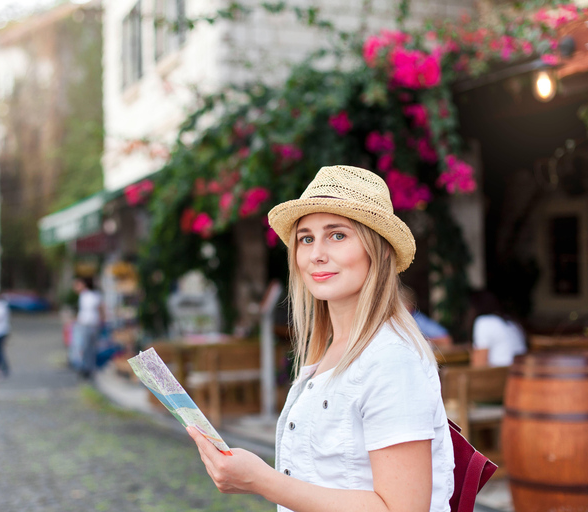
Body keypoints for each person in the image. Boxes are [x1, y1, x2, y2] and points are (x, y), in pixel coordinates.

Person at [187, 165, 454, 512]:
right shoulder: (330, 351)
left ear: (381, 249)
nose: (316, 254)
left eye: (337, 235)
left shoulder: (391, 357)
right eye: (306, 238)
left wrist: (263, 481)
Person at [468, 290, 526, 367]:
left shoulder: (484, 322)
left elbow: (479, 364)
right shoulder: (510, 321)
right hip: (519, 372)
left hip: (501, 375)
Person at [73, 277, 104, 379]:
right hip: (86, 323)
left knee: (89, 347)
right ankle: (86, 367)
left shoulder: (92, 295)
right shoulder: (86, 295)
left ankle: (89, 367)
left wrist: (102, 320)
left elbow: (101, 310)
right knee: (86, 347)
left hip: (91, 324)